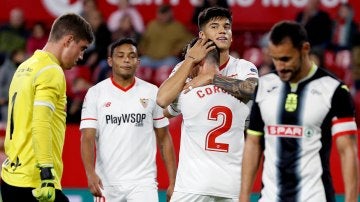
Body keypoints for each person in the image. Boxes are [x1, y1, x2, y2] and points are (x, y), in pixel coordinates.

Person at [240, 21, 359, 202]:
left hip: (315, 197)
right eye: (275, 58)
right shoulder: (264, 86)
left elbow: (348, 151)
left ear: (305, 49)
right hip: (270, 197)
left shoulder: (334, 90)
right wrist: (244, 196)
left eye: (286, 58)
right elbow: (253, 143)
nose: (280, 66)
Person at [0, 13, 94, 202]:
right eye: (82, 48)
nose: (82, 56)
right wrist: (46, 175)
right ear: (68, 41)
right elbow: (40, 122)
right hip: (35, 183)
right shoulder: (51, 70)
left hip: (11, 178)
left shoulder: (24, 67)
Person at [80, 38, 177, 202]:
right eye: (120, 56)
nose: (126, 60)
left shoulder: (152, 92)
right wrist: (90, 174)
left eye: (132, 56)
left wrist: (173, 182)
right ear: (110, 61)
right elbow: (87, 137)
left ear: (138, 62)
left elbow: (164, 139)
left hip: (143, 183)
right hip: (107, 183)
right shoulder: (96, 93)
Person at [161, 38, 250, 201]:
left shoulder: (186, 93)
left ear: (199, 60)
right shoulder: (243, 98)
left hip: (193, 186)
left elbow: (161, 105)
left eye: (189, 59)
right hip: (231, 186)